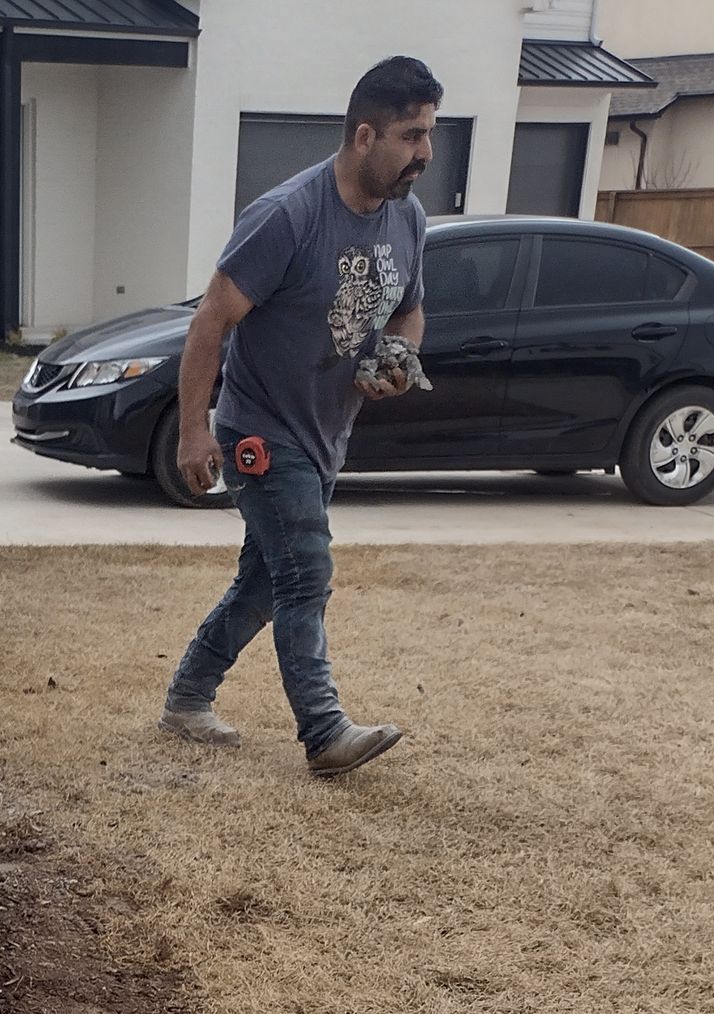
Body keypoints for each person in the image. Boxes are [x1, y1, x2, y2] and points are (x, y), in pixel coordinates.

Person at [160, 55, 441, 776]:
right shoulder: (290, 216)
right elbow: (210, 321)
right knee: (306, 571)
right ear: (364, 135)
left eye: (428, 135)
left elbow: (409, 309)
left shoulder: (406, 219)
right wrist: (194, 429)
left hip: (326, 434)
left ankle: (188, 696)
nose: (425, 154)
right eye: (411, 136)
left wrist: (399, 360)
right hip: (260, 428)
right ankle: (324, 732)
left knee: (266, 578)